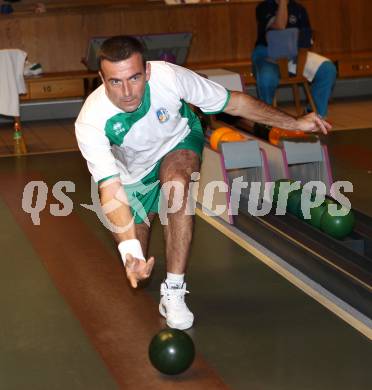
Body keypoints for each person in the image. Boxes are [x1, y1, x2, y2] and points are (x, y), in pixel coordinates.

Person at [75, 35, 331, 330]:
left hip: (178, 142)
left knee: (176, 186)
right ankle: (142, 256)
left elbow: (234, 103)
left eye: (134, 78)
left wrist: (294, 123)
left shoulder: (170, 78)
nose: (128, 91)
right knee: (137, 257)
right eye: (115, 82)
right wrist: (130, 253)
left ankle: (174, 291)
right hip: (132, 176)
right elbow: (110, 188)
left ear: (147, 71)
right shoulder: (91, 120)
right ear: (101, 79)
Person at [252, 0, 337, 118]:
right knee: (267, 77)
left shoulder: (299, 8)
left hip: (294, 54)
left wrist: (296, 47)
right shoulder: (263, 7)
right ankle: (266, 119)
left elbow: (307, 37)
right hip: (267, 54)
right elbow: (279, 27)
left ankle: (314, 115)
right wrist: (282, 3)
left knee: (327, 69)